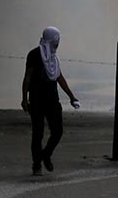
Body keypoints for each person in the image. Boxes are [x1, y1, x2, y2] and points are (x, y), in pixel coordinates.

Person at [22, 26, 80, 175]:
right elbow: (27, 77)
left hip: (53, 100)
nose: (58, 43)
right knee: (38, 133)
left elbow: (59, 77)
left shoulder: (54, 57)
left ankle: (46, 154)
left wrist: (71, 96)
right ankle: (37, 165)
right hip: (37, 100)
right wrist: (24, 99)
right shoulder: (34, 55)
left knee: (58, 131)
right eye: (56, 40)